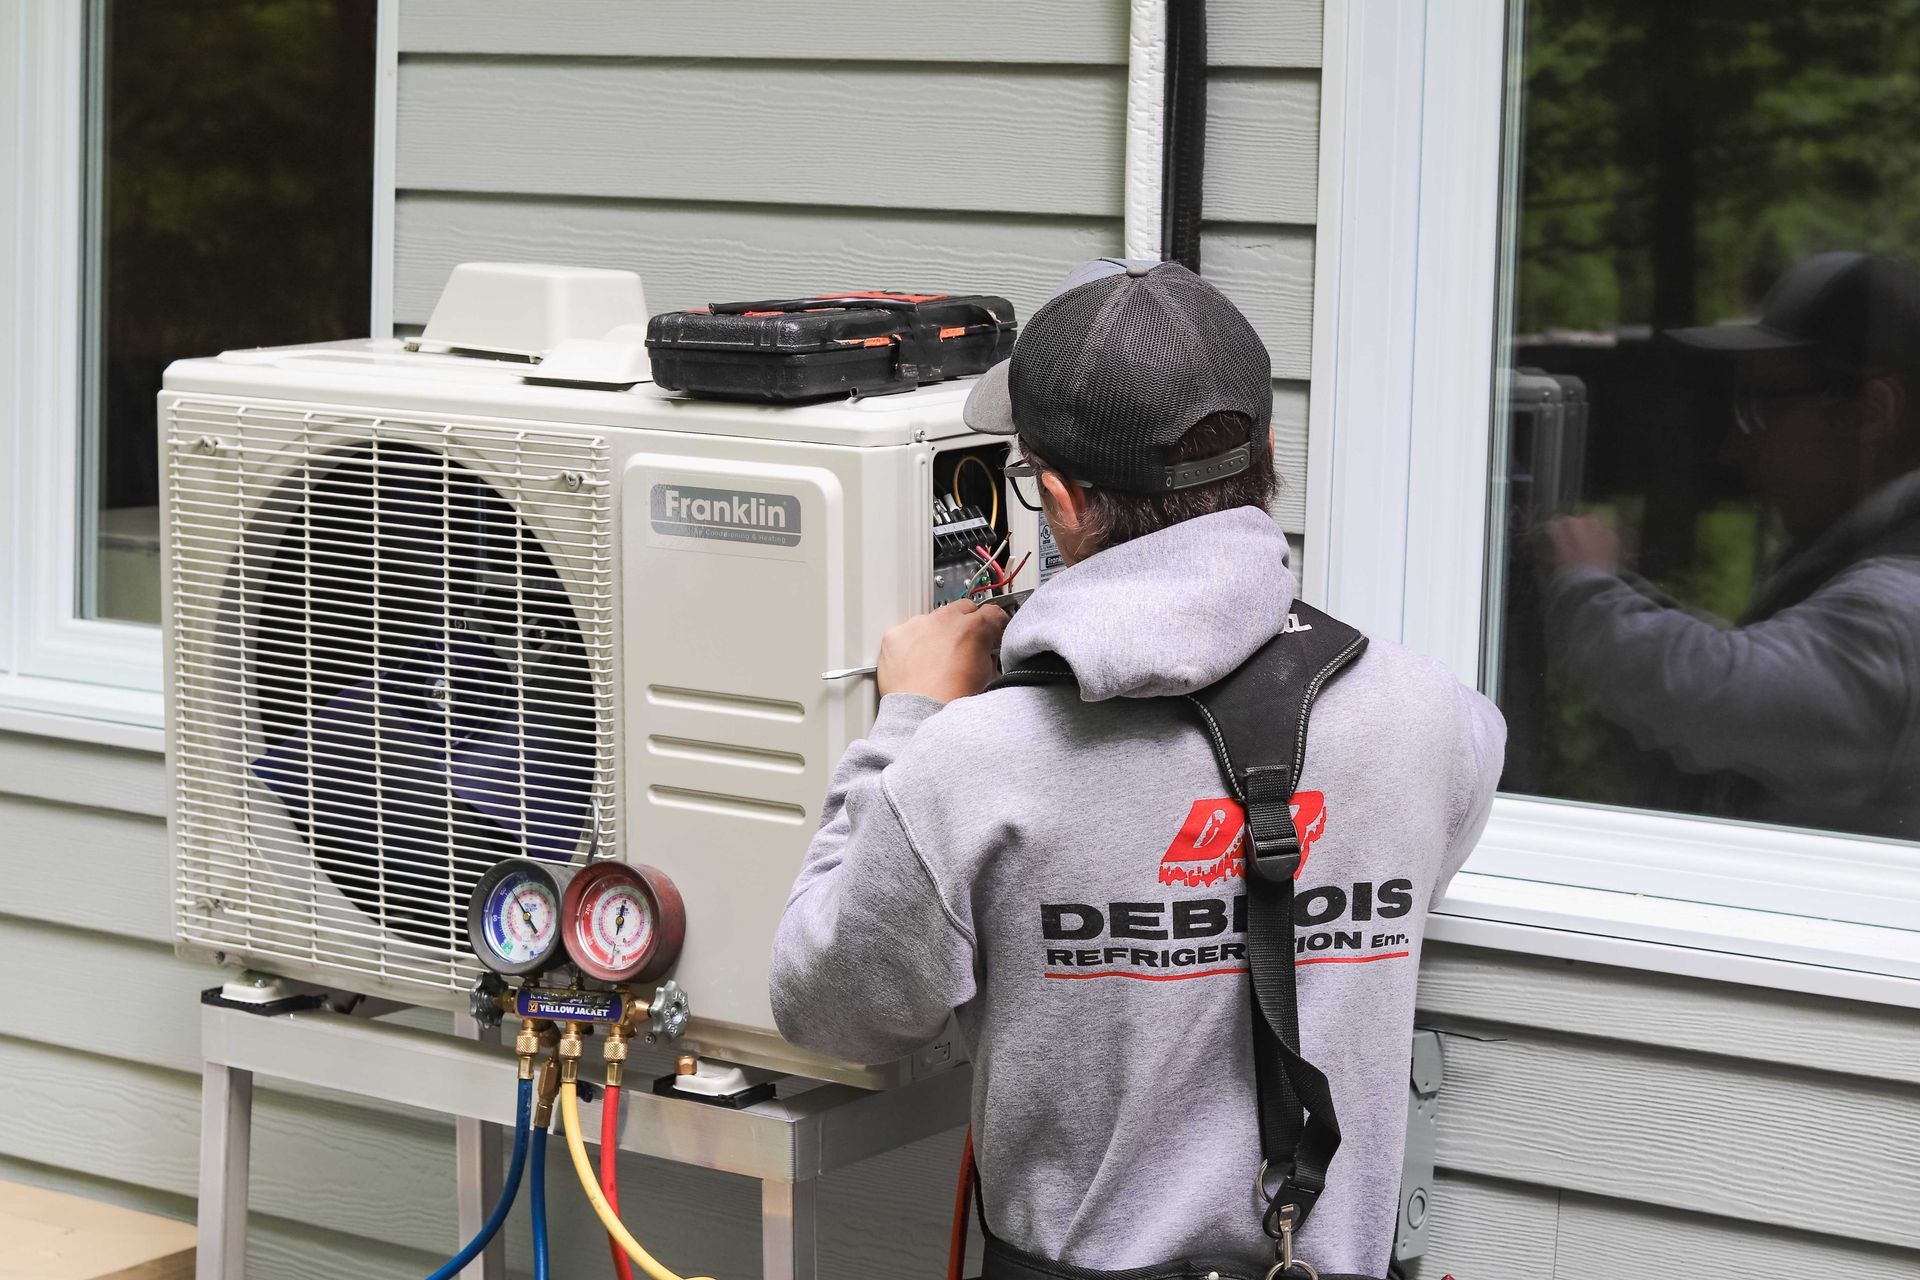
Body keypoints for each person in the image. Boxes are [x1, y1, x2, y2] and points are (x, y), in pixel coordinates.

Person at [769, 260, 1505, 1279]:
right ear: (1268, 453)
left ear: (1062, 500)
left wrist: (910, 715)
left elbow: (828, 1005)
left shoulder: (971, 766)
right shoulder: (1439, 720)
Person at [1538, 251, 1920, 839]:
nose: (1733, 450)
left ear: (1870, 411)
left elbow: (1714, 697)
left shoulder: (1902, 604)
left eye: (1758, 410)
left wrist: (1586, 587)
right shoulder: (1874, 552)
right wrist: (1622, 587)